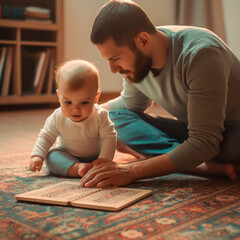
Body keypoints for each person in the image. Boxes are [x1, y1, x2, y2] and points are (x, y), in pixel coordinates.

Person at [79, 0, 240, 188]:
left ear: (143, 41)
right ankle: (199, 165)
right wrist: (81, 114)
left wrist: (131, 170)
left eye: (115, 59)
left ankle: (187, 160)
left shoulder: (200, 54)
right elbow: (129, 106)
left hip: (233, 132)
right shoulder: (139, 59)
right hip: (197, 133)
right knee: (111, 119)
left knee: (205, 147)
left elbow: (205, 142)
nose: (113, 69)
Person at [29, 60, 117, 177]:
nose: (75, 110)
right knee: (51, 157)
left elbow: (109, 137)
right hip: (67, 155)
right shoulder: (57, 117)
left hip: (96, 158)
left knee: (104, 159)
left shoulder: (100, 115)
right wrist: (37, 155)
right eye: (68, 102)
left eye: (84, 102)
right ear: (59, 96)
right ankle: (78, 168)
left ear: (96, 97)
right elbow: (46, 136)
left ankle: (89, 167)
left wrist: (104, 159)